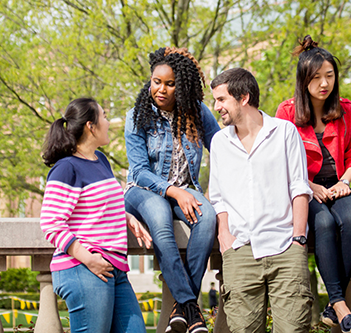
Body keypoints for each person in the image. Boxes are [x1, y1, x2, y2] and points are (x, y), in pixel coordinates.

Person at [209, 68, 314, 333]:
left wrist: (298, 239)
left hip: (285, 250)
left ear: (243, 97)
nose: (216, 107)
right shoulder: (220, 142)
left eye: (221, 99)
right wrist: (224, 237)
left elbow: (299, 188)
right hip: (240, 250)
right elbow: (218, 197)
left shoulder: (284, 132)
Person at [124, 47, 219, 333]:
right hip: (143, 191)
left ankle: (181, 306)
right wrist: (174, 191)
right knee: (161, 221)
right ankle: (192, 306)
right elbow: (139, 171)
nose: (161, 89)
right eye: (156, 81)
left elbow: (223, 149)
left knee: (208, 217)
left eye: (170, 83)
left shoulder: (197, 112)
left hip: (185, 189)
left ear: (183, 86)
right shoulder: (137, 115)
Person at [40, 98, 152, 333]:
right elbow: (51, 223)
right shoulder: (66, 168)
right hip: (83, 267)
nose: (109, 122)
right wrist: (88, 258)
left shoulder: (100, 160)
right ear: (91, 126)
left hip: (114, 266)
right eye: (104, 116)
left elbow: (103, 205)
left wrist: (127, 217)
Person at [276, 35, 351, 333]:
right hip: (304, 188)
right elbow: (282, 163)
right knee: (324, 224)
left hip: (338, 184)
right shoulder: (287, 113)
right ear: (303, 80)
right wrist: (308, 186)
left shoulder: (346, 110)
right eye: (316, 78)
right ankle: (340, 305)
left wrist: (344, 182)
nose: (324, 83)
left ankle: (333, 305)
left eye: (329, 76)